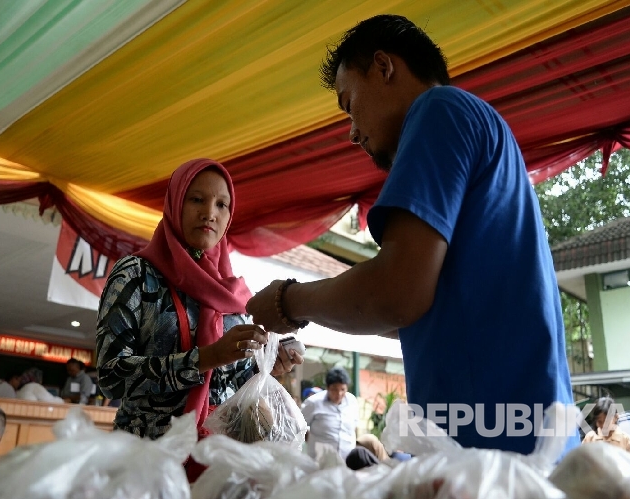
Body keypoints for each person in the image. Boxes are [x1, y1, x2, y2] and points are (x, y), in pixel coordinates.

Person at [247, 15, 576, 455]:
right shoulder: (475, 125)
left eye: (350, 104)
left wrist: (289, 301)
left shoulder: (439, 109)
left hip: (496, 446)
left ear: (383, 67)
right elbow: (420, 309)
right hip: (517, 437)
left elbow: (396, 294)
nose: (351, 132)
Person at [96, 159, 303, 448]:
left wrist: (267, 365)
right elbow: (110, 376)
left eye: (221, 205)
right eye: (196, 200)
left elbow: (227, 381)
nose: (209, 213)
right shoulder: (136, 274)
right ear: (176, 203)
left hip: (216, 459)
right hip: (144, 458)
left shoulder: (230, 291)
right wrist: (207, 357)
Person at [301, 367, 359, 460]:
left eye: (342, 389)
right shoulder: (313, 403)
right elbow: (299, 427)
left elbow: (354, 427)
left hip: (346, 463)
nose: (339, 393)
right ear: (327, 387)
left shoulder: (352, 402)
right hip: (319, 462)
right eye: (334, 389)